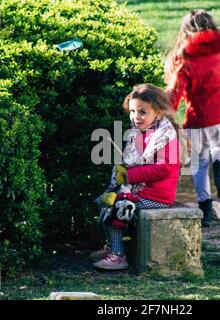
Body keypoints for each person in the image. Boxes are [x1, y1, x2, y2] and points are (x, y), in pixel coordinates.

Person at [165, 9, 220, 227]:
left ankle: (206, 208)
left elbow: (176, 91)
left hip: (197, 119)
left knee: (199, 164)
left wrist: (166, 110)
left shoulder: (184, 57)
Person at [91, 83, 180, 270]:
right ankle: (113, 245)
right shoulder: (138, 132)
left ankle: (118, 256)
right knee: (105, 201)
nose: (136, 117)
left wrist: (129, 175)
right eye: (132, 111)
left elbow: (163, 168)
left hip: (156, 196)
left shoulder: (165, 135)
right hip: (140, 190)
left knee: (118, 207)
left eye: (142, 112)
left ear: (158, 111)